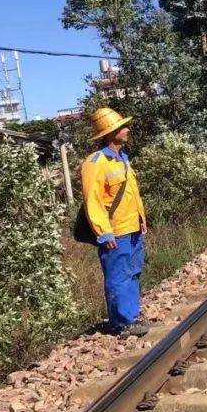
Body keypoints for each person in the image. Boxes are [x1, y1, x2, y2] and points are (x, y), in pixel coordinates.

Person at [80, 107, 150, 337]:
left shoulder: (123, 160)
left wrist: (141, 219)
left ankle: (132, 315)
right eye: (122, 127)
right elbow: (93, 201)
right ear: (110, 133)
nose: (127, 129)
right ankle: (123, 323)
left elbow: (132, 193)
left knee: (133, 272)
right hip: (116, 232)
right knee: (119, 276)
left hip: (132, 228)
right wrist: (104, 232)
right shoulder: (95, 163)